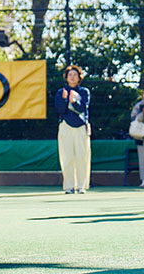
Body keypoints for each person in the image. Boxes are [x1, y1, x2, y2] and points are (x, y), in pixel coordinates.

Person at [55, 65, 91, 194]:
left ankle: (81, 186)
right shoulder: (61, 92)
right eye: (70, 75)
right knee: (67, 157)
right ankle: (69, 186)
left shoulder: (84, 92)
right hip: (66, 126)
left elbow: (83, 109)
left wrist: (74, 101)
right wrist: (65, 100)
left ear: (79, 77)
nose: (72, 77)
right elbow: (60, 110)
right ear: (66, 77)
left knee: (82, 156)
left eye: (75, 75)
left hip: (81, 126)